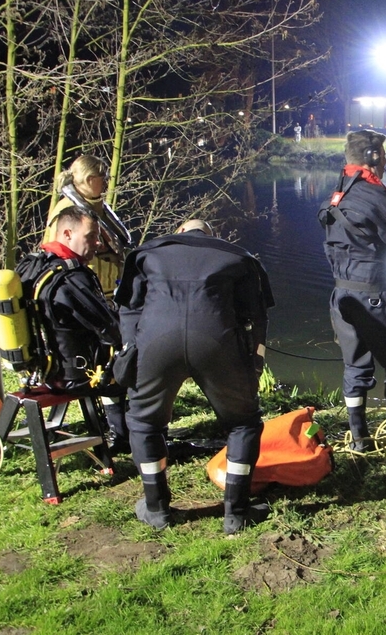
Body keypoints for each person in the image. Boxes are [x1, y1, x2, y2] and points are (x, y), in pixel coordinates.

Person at [114, 219, 274, 533]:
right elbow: (257, 318)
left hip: (156, 340)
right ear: (209, 236)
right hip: (217, 340)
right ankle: (236, 514)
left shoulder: (147, 253)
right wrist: (253, 365)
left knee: (144, 421)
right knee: (242, 421)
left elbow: (128, 309)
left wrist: (131, 354)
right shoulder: (239, 258)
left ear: (180, 233)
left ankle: (157, 508)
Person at [317, 130, 386, 462]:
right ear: (374, 159)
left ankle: (359, 440)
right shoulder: (375, 197)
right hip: (375, 298)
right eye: (384, 155)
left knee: (355, 367)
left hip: (342, 299)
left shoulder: (338, 193)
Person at [26, 205, 130, 453]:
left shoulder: (34, 266)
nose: (97, 244)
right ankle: (136, 437)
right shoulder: (72, 277)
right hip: (74, 374)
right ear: (67, 235)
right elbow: (112, 330)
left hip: (42, 369)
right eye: (91, 237)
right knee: (135, 361)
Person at [44, 155, 133, 301]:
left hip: (109, 291)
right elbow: (59, 256)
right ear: (89, 179)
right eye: (103, 177)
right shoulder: (67, 211)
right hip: (86, 293)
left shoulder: (99, 208)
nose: (106, 183)